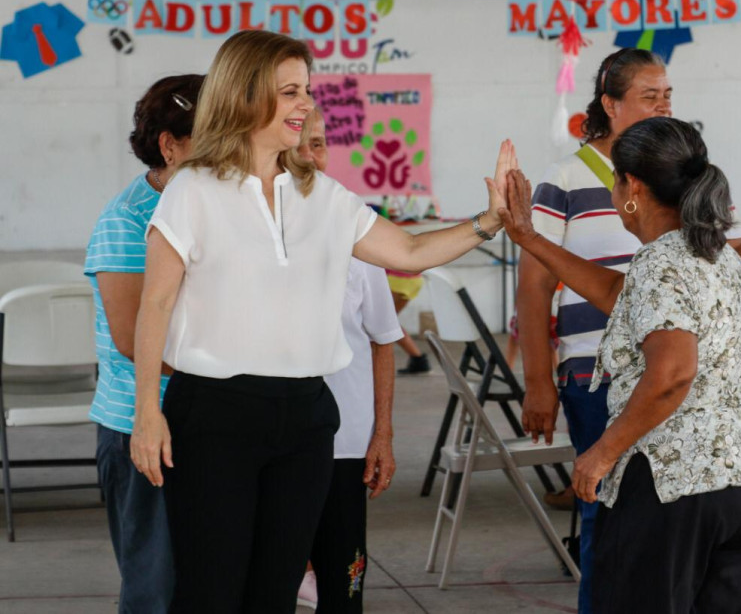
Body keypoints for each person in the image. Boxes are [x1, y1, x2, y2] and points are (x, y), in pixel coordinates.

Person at [129, 30, 516, 613]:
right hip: (214, 415)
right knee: (210, 591)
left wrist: (489, 221)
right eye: (290, 92)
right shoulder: (193, 190)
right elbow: (154, 305)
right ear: (245, 96)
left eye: (306, 90)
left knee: (275, 593)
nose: (306, 104)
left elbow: (408, 252)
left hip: (307, 417)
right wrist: (146, 415)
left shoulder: (325, 195)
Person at [501, 117, 741, 614]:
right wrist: (529, 238)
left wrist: (602, 453)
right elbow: (617, 293)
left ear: (631, 186)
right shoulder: (719, 255)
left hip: (674, 487)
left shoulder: (660, 262)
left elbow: (672, 374)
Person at [84, 73, 203, 614]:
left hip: (204, 411)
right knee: (156, 586)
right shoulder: (127, 221)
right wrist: (244, 365)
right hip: (142, 426)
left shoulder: (212, 204)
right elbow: (135, 339)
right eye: (213, 136)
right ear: (169, 145)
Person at [295, 108, 402, 612]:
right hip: (272, 441)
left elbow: (383, 337)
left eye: (317, 144)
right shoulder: (246, 225)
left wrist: (382, 434)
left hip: (344, 441)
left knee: (343, 586)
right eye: (297, 144)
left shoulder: (356, 224)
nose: (308, 157)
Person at [386, 270, 432, 374]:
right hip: (410, 279)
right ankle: (418, 360)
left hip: (398, 279)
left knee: (385, 322)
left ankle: (418, 359)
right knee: (387, 322)